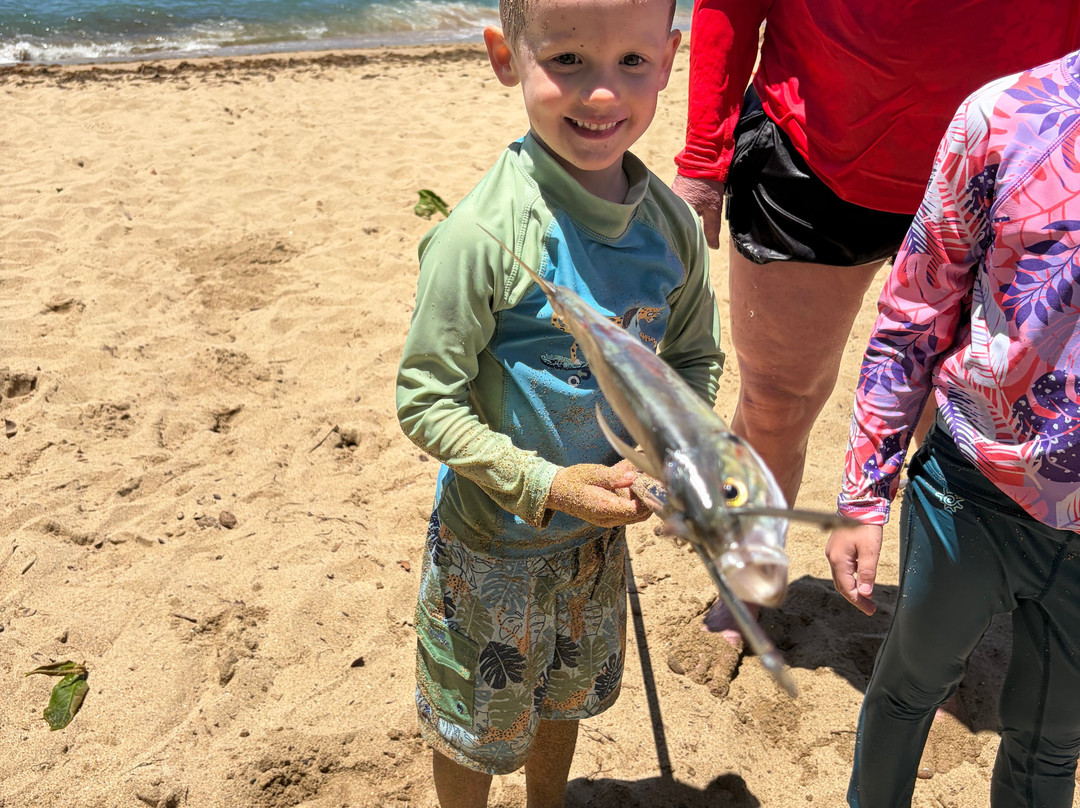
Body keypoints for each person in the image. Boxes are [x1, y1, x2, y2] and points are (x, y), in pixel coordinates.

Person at [395, 0, 725, 802]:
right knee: (472, 730)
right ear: (507, 56)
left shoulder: (673, 228)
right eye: (567, 59)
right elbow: (426, 400)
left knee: (563, 698)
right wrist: (547, 485)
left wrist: (665, 455)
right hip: (491, 545)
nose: (602, 93)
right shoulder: (481, 233)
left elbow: (692, 359)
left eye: (632, 62)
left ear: (669, 59)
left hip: (596, 543)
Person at [671, 0, 1080, 647]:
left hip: (1015, 159)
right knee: (776, 401)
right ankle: (745, 581)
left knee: (964, 416)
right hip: (814, 150)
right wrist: (703, 155)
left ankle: (941, 625)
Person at [826, 51, 1080, 807]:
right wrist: (863, 494)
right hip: (971, 489)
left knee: (1054, 739)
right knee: (910, 686)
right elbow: (914, 311)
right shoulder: (1003, 116)